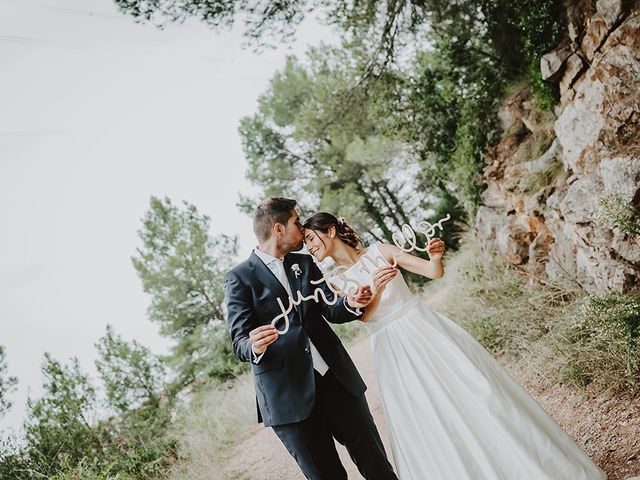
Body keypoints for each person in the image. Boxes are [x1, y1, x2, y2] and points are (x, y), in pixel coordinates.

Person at [303, 211, 607, 480]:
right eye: (305, 243)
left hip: (423, 329)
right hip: (390, 348)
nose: (309, 247)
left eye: (310, 238)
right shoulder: (335, 281)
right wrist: (378, 289)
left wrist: (435, 256)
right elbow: (365, 317)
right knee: (425, 418)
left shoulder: (380, 251)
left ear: (330, 231)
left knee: (478, 394)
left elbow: (432, 272)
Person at [224, 198, 398, 480]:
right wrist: (253, 344)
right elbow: (239, 342)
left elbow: (331, 308)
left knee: (377, 464)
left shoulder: (304, 263)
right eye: (296, 221)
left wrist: (352, 302)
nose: (302, 227)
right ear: (278, 229)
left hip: (338, 382)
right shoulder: (239, 278)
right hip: (289, 400)